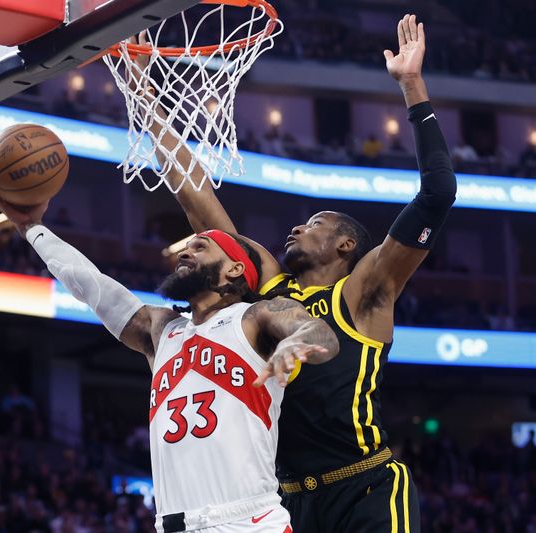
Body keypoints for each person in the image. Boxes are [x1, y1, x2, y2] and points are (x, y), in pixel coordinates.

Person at [131, 13, 455, 532]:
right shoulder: (268, 288)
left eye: (315, 223)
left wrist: (413, 85)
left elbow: (438, 194)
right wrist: (143, 95)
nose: (296, 228)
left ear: (346, 244)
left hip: (363, 485)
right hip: (284, 501)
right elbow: (198, 198)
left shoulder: (364, 291)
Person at [0, 186, 340, 532]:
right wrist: (32, 229)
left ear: (234, 269)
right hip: (172, 523)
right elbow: (89, 284)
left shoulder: (255, 316)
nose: (185, 253)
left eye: (200, 247)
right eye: (185, 248)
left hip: (248, 520)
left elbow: (318, 332)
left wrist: (297, 342)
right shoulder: (161, 330)